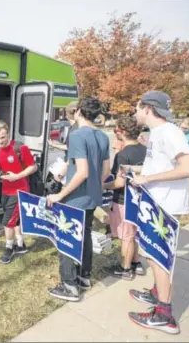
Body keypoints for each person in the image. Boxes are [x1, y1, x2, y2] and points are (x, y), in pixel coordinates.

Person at [121, 91, 189, 334]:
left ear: (148, 108)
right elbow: (160, 166)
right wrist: (135, 170)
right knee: (154, 255)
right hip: (156, 203)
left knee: (158, 258)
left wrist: (148, 178)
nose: (134, 110)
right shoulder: (156, 133)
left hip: (164, 207)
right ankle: (157, 293)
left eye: (137, 106)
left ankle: (165, 315)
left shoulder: (168, 132)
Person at [45, 97, 111, 301]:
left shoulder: (77, 136)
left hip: (76, 199)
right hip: (92, 197)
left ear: (79, 111)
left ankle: (69, 286)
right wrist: (95, 186)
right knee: (86, 235)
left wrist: (60, 195)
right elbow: (106, 170)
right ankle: (84, 277)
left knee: (67, 239)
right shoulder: (103, 136)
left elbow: (81, 172)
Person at [103, 114, 146, 280]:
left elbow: (119, 183)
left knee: (126, 237)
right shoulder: (145, 150)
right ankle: (137, 263)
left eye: (115, 130)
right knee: (134, 234)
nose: (115, 134)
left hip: (124, 201)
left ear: (123, 133)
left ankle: (125, 268)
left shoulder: (123, 155)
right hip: (141, 199)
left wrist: (103, 186)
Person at [0, 120, 37, 264]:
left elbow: (33, 167)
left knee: (8, 222)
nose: (0, 141)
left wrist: (17, 176)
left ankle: (9, 248)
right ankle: (21, 245)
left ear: (8, 133)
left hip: (19, 190)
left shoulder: (20, 148)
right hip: (5, 190)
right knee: (15, 220)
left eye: (2, 137)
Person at [48, 100, 79, 182]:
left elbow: (70, 150)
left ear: (67, 114)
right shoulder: (75, 128)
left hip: (72, 167)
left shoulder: (74, 130)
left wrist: (61, 174)